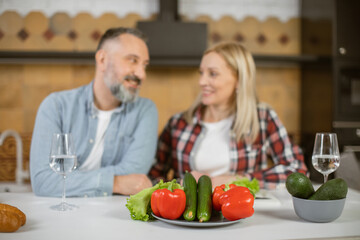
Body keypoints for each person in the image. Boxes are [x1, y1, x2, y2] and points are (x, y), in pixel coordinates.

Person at [150, 41, 308, 189]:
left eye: (212, 74)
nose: (202, 81)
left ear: (239, 80)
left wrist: (238, 180)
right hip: (188, 217)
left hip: (242, 213)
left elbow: (297, 171)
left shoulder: (262, 118)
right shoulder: (178, 123)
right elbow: (152, 177)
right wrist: (182, 184)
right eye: (201, 73)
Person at [30, 27, 158, 197]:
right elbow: (43, 181)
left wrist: (66, 181)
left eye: (144, 65)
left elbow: (134, 177)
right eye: (133, 60)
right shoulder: (56, 106)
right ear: (103, 59)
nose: (141, 74)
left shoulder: (146, 111)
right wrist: (116, 182)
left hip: (114, 217)